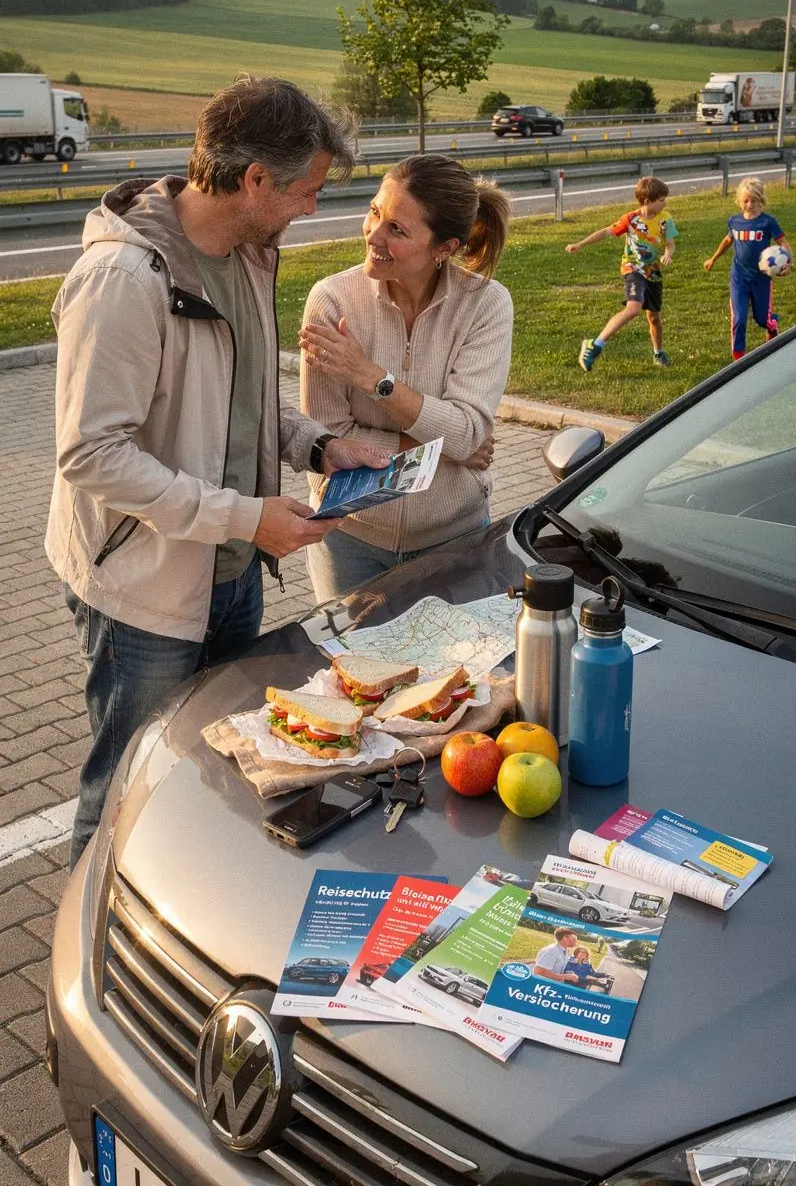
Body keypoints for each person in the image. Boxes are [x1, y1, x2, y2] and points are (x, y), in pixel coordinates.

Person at [45, 75, 391, 869]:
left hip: (232, 572)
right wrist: (246, 518)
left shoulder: (249, 255)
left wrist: (315, 446)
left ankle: (185, 906)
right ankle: (90, 941)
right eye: (306, 190)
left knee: (213, 769)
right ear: (255, 180)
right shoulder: (125, 282)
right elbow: (91, 454)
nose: (313, 208)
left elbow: (238, 395)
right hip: (146, 590)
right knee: (127, 783)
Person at [298, 154, 513, 600]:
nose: (373, 235)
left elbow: (470, 431)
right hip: (350, 541)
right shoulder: (332, 302)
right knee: (348, 670)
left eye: (397, 229)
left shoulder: (486, 305)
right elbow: (325, 438)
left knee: (458, 671)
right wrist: (443, 449)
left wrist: (371, 376)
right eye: (375, 212)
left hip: (455, 543)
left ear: (444, 248)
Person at [565, 176, 678, 371]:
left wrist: (668, 254)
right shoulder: (631, 219)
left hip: (653, 272)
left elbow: (670, 244)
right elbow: (605, 232)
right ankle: (595, 344)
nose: (665, 203)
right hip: (633, 269)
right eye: (661, 200)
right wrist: (580, 244)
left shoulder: (665, 219)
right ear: (647, 202)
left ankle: (658, 353)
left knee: (654, 318)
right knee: (633, 309)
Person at [703, 177, 793, 360]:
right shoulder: (734, 221)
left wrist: (788, 262)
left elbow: (782, 242)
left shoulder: (768, 222)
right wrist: (713, 259)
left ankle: (772, 326)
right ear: (739, 201)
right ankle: (738, 359)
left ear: (761, 200)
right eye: (746, 200)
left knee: (762, 319)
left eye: (754, 200)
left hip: (761, 278)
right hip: (739, 277)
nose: (750, 204)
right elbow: (728, 240)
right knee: (739, 319)